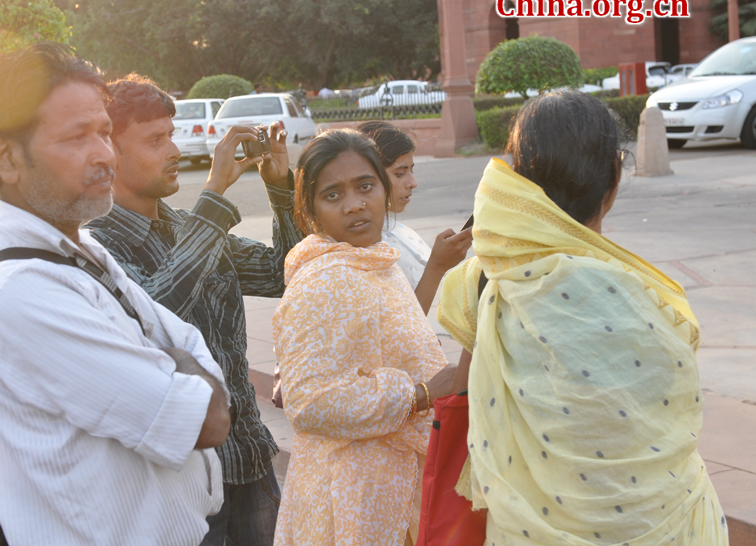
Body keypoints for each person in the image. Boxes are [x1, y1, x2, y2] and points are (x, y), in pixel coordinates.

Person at [0, 42, 230, 546]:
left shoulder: (83, 249)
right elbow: (205, 421)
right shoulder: (21, 293)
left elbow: (192, 343)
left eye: (104, 131)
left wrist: (174, 360)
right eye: (77, 136)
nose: (105, 153)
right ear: (7, 156)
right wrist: (174, 360)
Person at [437, 91, 728, 545]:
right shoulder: (643, 297)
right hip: (661, 525)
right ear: (613, 180)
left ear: (519, 181)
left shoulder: (484, 282)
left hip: (527, 528)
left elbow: (465, 394)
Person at [85, 73, 303, 546]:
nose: (174, 151)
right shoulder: (98, 248)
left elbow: (287, 275)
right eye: (155, 139)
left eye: (172, 135)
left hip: (250, 459)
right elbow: (157, 311)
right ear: (109, 151)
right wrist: (216, 191)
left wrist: (281, 188)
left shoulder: (192, 225)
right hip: (181, 480)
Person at [272, 129, 457, 546]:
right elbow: (309, 401)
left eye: (365, 186)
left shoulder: (374, 261)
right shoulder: (321, 280)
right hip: (350, 496)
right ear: (311, 210)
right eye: (332, 195)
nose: (355, 205)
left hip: (392, 482)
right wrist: (418, 395)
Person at [354, 121, 471, 314]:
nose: (413, 183)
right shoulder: (363, 244)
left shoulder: (390, 231)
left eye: (411, 170)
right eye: (400, 174)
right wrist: (436, 266)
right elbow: (404, 326)